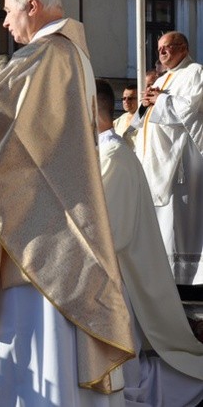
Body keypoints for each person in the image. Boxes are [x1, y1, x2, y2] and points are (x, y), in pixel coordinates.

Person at [0, 0, 133, 404]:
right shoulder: (69, 53)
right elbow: (32, 130)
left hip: (41, 227)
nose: (7, 23)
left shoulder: (46, 53)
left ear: (32, 6)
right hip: (54, 213)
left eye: (10, 11)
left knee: (32, 330)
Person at [95, 79, 203, 406]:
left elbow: (107, 232)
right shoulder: (101, 153)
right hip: (110, 276)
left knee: (128, 374)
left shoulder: (113, 156)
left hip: (119, 279)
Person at [132, 31, 203, 286]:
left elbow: (191, 110)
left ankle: (184, 283)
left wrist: (161, 100)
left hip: (179, 162)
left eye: (166, 48)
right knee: (160, 224)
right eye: (159, 48)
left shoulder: (195, 72)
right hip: (156, 161)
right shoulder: (164, 78)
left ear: (182, 48)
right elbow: (141, 122)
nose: (161, 53)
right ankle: (162, 278)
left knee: (177, 221)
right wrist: (145, 104)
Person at [113, 84, 138, 149]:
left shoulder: (146, 118)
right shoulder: (119, 120)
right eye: (124, 98)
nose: (126, 101)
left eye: (130, 98)